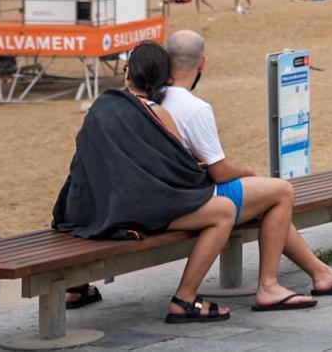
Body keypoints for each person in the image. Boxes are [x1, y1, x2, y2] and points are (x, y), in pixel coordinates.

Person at [159, 33, 332, 306]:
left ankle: (321, 273)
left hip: (170, 192)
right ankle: (269, 286)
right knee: (281, 191)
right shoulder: (194, 108)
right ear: (203, 63)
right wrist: (247, 172)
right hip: (197, 196)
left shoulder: (152, 99)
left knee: (268, 200)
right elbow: (220, 172)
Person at [53, 42, 239, 321]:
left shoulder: (101, 106)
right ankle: (184, 300)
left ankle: (75, 289)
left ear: (127, 73)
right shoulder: (158, 112)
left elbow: (86, 162)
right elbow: (181, 168)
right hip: (132, 212)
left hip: (87, 209)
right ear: (164, 80)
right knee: (224, 211)